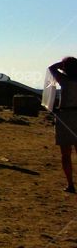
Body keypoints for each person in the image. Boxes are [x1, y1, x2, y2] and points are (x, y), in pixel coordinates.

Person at [48, 56, 77, 193]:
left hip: (65, 117)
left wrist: (61, 64)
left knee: (66, 154)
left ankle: (70, 184)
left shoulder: (64, 81)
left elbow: (51, 68)